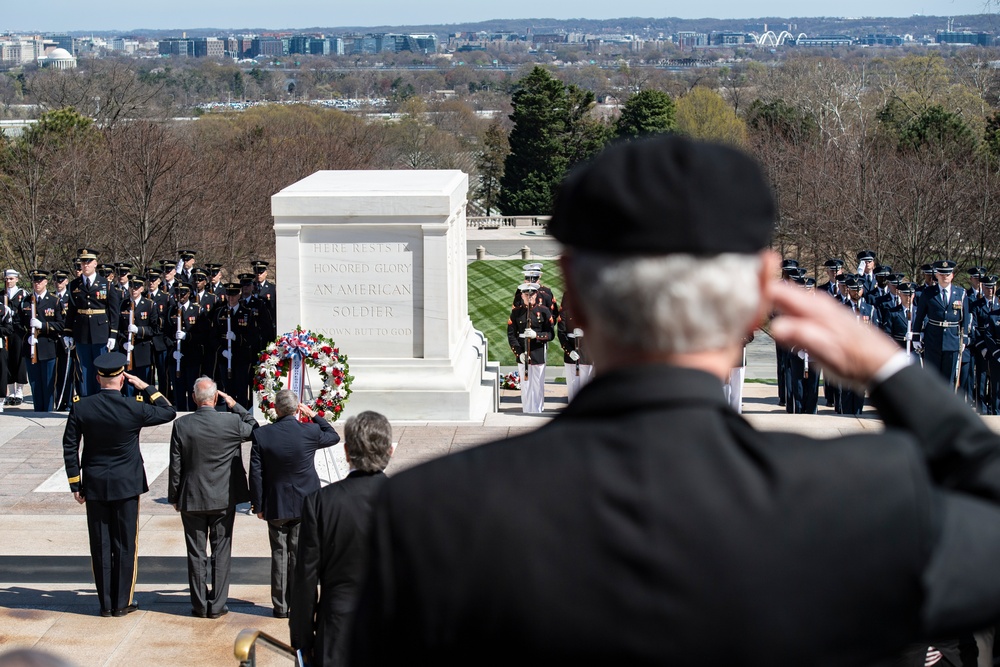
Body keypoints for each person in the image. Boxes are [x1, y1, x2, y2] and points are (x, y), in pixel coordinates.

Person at [350, 135, 1000, 666]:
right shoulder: (861, 495)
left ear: (571, 293)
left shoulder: (425, 515)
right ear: (763, 288)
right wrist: (890, 367)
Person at [62, 352, 175, 617]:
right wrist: (145, 386)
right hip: (127, 484)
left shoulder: (82, 406)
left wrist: (75, 482)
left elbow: (69, 446)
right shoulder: (134, 406)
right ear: (122, 379)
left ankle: (106, 604)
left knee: (100, 544)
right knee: (125, 544)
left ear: (98, 377)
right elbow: (168, 411)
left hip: (95, 484)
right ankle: (122, 602)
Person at [290, 411, 393, 667]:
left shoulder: (320, 502)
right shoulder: (411, 500)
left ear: (346, 452)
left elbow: (305, 576)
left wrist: (302, 640)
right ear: (390, 451)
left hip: (338, 628)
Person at [168, 377, 257, 619]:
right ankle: (217, 605)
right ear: (216, 398)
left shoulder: (182, 425)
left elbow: (175, 465)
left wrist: (174, 496)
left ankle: (199, 605)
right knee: (221, 551)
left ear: (195, 398)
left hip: (193, 496)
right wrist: (235, 405)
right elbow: (255, 428)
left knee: (196, 553)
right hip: (223, 497)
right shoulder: (231, 421)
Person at [250, 389, 340, 619]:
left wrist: (258, 505)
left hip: (276, 503)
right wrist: (313, 415)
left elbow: (256, 474)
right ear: (296, 408)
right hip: (305, 504)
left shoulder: (263, 435)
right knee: (300, 556)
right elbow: (332, 435)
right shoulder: (310, 431)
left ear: (276, 410)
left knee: (279, 554)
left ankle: (280, 607)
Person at [64, 248, 122, 397]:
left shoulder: (106, 284)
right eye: (83, 262)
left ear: (95, 263)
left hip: (101, 333)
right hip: (82, 333)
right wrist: (68, 332)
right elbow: (71, 311)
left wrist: (113, 334)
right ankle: (87, 401)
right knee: (84, 369)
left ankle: (101, 400)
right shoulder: (74, 285)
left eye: (89, 262)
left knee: (101, 369)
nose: (85, 265)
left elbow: (114, 311)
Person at [20, 270, 63, 412]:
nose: (37, 284)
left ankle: (49, 410)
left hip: (48, 346)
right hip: (31, 346)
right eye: (35, 281)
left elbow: (61, 324)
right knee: (35, 382)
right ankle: (38, 410)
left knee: (48, 382)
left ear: (45, 282)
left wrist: (43, 326)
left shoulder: (54, 301)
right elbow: (17, 323)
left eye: (40, 281)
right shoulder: (26, 301)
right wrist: (27, 334)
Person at [507, 282, 553, 413]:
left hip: (537, 352)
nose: (529, 297)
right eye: (526, 295)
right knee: (526, 385)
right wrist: (519, 353)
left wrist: (537, 335)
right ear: (522, 296)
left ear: (536, 295)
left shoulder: (544, 311)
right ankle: (527, 410)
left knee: (538, 385)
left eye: (532, 295)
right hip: (523, 353)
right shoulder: (516, 313)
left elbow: (550, 334)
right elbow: (511, 335)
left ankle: (537, 410)